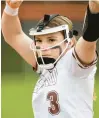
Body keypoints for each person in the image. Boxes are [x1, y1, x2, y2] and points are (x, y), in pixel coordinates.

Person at [1, 0, 99, 118]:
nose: (43, 47)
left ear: (70, 42)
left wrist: (94, 6)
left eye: (51, 40)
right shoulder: (45, 64)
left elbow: (90, 38)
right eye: (39, 40)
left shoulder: (74, 63)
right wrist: (11, 8)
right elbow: (13, 35)